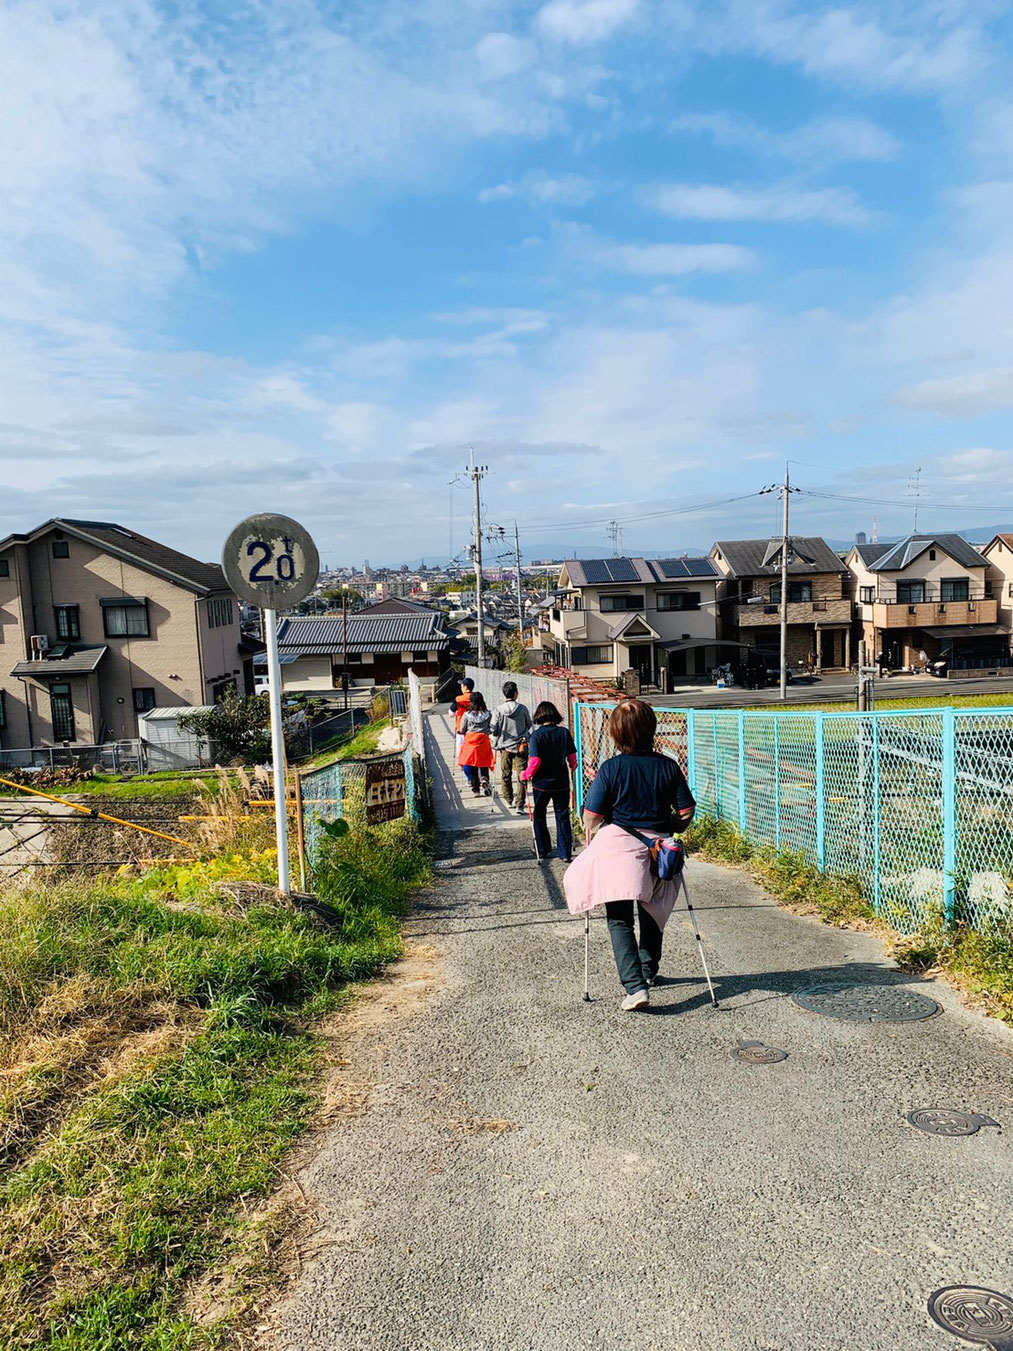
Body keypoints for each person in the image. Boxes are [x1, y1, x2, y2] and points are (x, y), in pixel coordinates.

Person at [564, 699, 695, 1012]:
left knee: (619, 918)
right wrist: (672, 826)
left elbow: (592, 816)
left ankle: (635, 987)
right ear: (650, 729)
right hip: (659, 852)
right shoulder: (668, 766)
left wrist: (593, 823)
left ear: (616, 734)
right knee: (652, 911)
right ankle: (648, 970)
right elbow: (687, 810)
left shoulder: (611, 769)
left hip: (618, 851)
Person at [520, 701, 577, 862]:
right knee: (563, 815)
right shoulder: (564, 732)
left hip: (541, 783)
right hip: (561, 782)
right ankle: (565, 852)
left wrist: (525, 775)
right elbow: (572, 758)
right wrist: (572, 767)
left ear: (539, 716)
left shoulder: (537, 736)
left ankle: (543, 848)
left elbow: (535, 761)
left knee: (539, 815)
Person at [491, 680, 532, 813]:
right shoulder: (523, 708)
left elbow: (495, 729)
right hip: (521, 745)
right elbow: (529, 725)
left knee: (505, 774)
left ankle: (508, 800)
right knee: (522, 775)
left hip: (505, 746)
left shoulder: (498, 710)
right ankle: (520, 804)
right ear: (516, 693)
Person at [457, 691, 495, 796]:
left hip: (470, 742)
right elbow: (491, 728)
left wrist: (460, 732)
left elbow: (462, 729)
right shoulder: (488, 714)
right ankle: (484, 779)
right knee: (484, 762)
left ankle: (476, 789)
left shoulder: (466, 715)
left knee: (472, 764)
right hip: (483, 741)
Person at [449, 677, 474, 773]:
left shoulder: (458, 699)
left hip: (461, 729)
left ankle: (463, 767)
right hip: (473, 729)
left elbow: (451, 713)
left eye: (462, 686)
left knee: (461, 750)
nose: (461, 687)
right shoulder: (475, 698)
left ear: (465, 687)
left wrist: (458, 713)